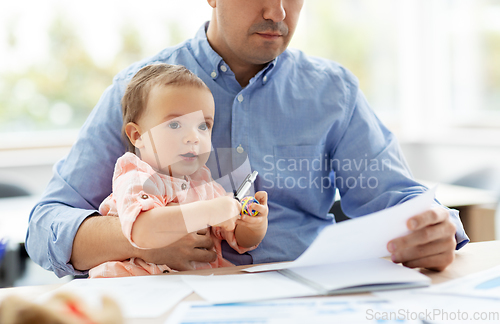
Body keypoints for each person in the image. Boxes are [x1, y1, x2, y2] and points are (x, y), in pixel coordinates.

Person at [26, 0, 468, 278]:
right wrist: (144, 235)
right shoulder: (140, 91)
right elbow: (45, 226)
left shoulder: (334, 93)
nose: (277, 12)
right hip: (169, 301)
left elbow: (400, 202)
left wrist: (435, 229)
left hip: (309, 303)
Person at [88, 64, 268, 278]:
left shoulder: (204, 182)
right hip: (132, 286)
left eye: (203, 126)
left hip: (194, 287)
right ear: (137, 136)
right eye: (175, 125)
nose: (193, 137)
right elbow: (143, 230)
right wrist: (211, 211)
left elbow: (237, 237)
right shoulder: (136, 176)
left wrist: (253, 225)